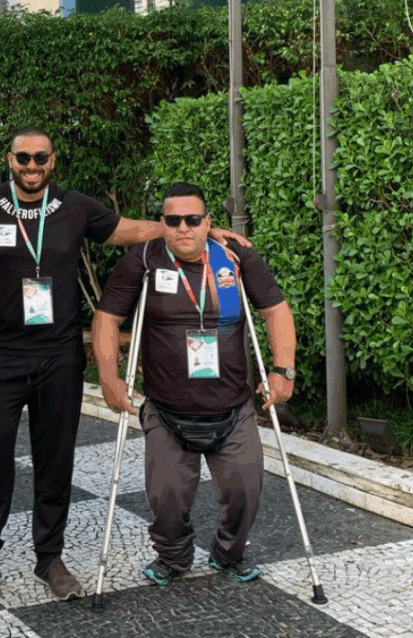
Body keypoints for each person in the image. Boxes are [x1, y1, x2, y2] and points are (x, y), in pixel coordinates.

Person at [0, 128, 247, 608]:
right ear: (10, 160)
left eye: (40, 157)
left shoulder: (74, 207)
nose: (32, 166)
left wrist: (191, 230)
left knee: (55, 461)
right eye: (23, 158)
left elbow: (130, 230)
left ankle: (49, 558)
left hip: (59, 357)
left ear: (52, 160)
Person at [92, 182, 296, 588]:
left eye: (192, 219)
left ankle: (229, 553)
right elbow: (107, 316)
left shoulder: (236, 257)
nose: (183, 227)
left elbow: (275, 309)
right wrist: (109, 377)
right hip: (167, 411)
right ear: (162, 223)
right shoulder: (144, 259)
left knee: (244, 493)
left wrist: (283, 369)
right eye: (173, 220)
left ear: (208, 221)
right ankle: (173, 557)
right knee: (166, 501)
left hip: (233, 408)